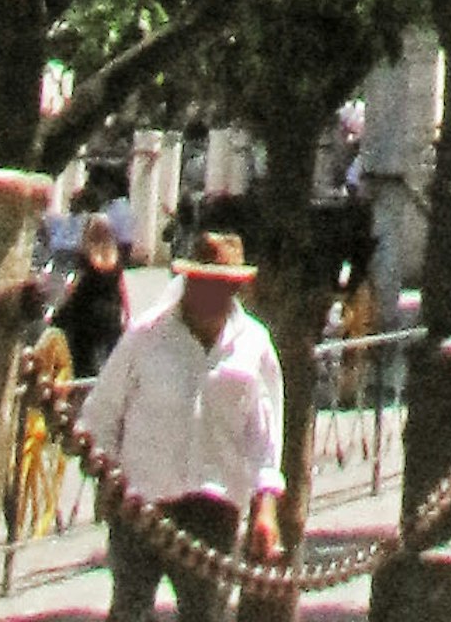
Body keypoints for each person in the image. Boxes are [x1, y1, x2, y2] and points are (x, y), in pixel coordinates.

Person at [78, 228, 285, 622]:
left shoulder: (253, 345)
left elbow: (264, 436)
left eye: (222, 286)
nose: (211, 295)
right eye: (203, 283)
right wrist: (106, 477)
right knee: (129, 612)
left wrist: (265, 509)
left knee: (207, 614)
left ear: (236, 288)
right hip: (141, 500)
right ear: (188, 281)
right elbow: (100, 414)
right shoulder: (146, 336)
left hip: (214, 507)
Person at [57, 213, 132, 381]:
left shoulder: (86, 256)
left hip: (86, 313)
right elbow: (121, 289)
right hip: (110, 315)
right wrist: (126, 316)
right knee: (110, 360)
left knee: (83, 362)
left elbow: (76, 286)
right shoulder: (115, 258)